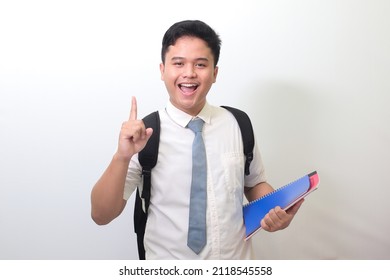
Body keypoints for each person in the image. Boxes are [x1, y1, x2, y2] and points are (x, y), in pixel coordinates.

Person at [90, 20, 303, 259]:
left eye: (200, 64)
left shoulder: (238, 123)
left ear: (214, 73)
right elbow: (101, 215)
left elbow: (253, 184)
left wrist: (276, 211)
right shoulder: (144, 133)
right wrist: (122, 156)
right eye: (178, 63)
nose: (189, 73)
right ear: (162, 70)